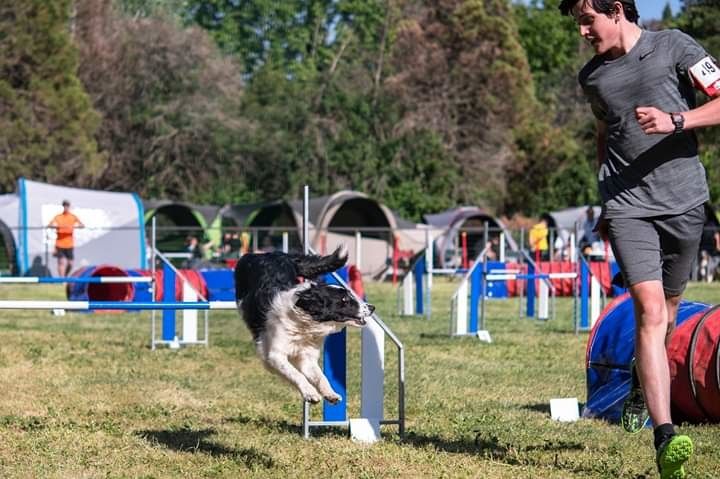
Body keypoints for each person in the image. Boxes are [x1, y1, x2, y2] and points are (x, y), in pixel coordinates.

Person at [559, 1, 720, 477]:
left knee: (669, 315)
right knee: (649, 312)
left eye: (588, 20)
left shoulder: (674, 46)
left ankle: (637, 381)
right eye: (578, 23)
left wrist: (677, 120)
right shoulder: (593, 78)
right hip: (628, 205)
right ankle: (665, 435)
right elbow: (604, 135)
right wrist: (606, 201)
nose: (584, 31)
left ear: (616, 10)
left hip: (686, 202)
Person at [47, 200, 84, 277]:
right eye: (64, 206)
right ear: (63, 206)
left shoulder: (73, 217)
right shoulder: (58, 217)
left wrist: (78, 226)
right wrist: (54, 226)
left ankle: (65, 277)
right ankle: (62, 280)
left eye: (67, 206)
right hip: (59, 244)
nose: (66, 207)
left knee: (70, 263)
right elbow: (50, 225)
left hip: (69, 244)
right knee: (62, 262)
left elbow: (82, 225)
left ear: (69, 207)